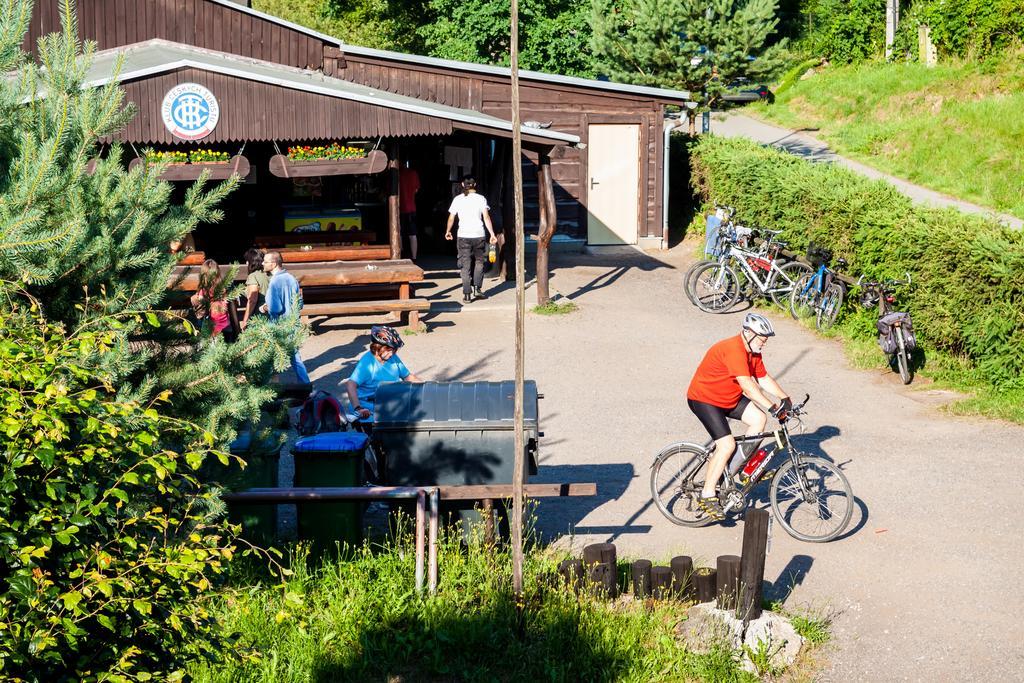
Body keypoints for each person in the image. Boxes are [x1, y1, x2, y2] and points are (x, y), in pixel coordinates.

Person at [686, 313, 792, 521]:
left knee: (758, 420)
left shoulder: (753, 351)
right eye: (762, 338)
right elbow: (748, 386)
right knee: (726, 445)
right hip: (705, 399)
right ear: (748, 333)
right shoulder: (734, 349)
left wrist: (784, 398)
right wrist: (773, 407)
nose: (765, 343)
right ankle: (707, 493)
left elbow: (762, 378)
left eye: (766, 339)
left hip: (728, 398)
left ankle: (730, 473)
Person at [344, 325, 421, 425]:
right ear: (378, 347)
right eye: (389, 350)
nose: (393, 353)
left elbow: (408, 376)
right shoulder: (367, 363)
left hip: (389, 402)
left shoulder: (392, 358)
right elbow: (350, 385)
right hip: (368, 405)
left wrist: (426, 386)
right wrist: (358, 408)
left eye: (394, 350)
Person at [260, 251, 310, 385]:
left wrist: (264, 307)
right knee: (295, 357)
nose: (262, 263)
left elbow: (275, 308)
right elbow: (299, 303)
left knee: (270, 355)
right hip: (292, 324)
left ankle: (269, 388)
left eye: (265, 261)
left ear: (274, 263)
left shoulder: (274, 282)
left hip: (278, 325)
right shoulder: (291, 278)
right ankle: (305, 385)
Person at [445, 175, 497, 303]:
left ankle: (467, 294)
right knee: (479, 262)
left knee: (465, 265)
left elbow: (451, 217)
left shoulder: (458, 199)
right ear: (475, 185)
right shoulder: (481, 199)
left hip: (463, 236)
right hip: (479, 234)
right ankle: (477, 289)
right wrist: (492, 234)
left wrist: (448, 231)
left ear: (462, 185)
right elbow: (486, 217)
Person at [190, 259, 237, 341]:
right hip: (225, 324)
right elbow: (227, 303)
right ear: (217, 272)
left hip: (212, 328)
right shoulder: (223, 288)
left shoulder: (203, 290)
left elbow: (201, 309)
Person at [240, 248, 268, 331]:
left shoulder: (253, 276)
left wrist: (245, 320)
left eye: (247, 260)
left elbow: (252, 300)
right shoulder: (268, 274)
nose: (246, 263)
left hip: (259, 317)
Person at [399, 162, 420, 259]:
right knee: (412, 234)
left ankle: (400, 254)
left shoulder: (396, 174)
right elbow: (416, 190)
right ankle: (414, 257)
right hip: (411, 207)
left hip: (399, 208)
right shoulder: (413, 173)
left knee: (399, 233)